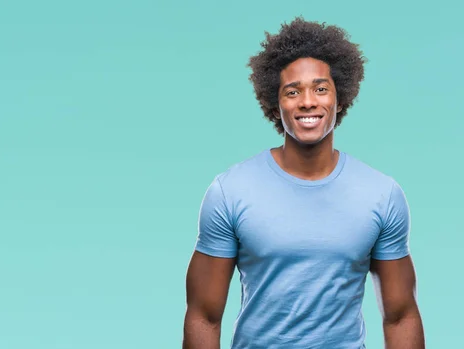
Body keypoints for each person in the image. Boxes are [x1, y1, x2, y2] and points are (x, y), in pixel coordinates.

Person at [182, 17, 425, 349]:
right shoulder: (230, 191)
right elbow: (203, 315)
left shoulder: (382, 195)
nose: (308, 101)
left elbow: (401, 315)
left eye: (321, 88)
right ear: (275, 102)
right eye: (292, 91)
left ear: (340, 98)